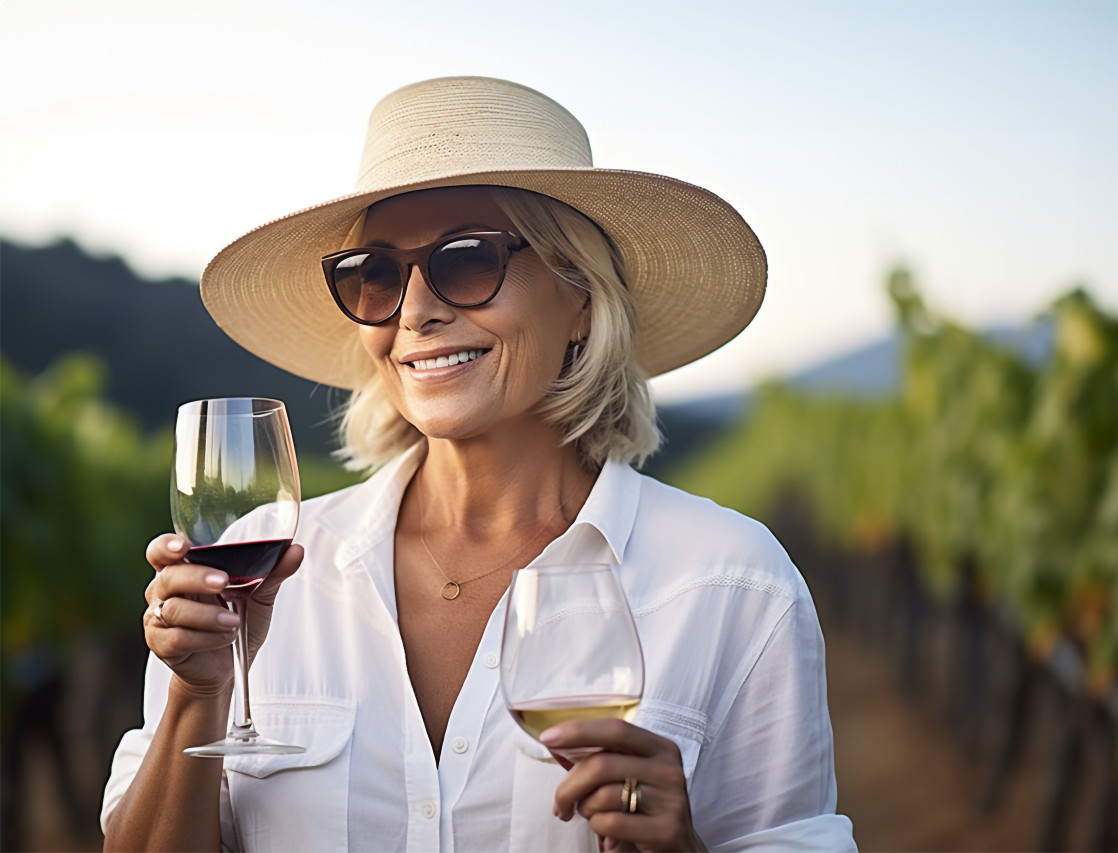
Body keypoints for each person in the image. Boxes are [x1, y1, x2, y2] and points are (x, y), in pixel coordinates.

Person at [101, 76, 857, 852]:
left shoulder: (732, 584)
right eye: (376, 273)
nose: (415, 311)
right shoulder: (258, 577)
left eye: (466, 260)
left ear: (580, 297)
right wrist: (197, 693)